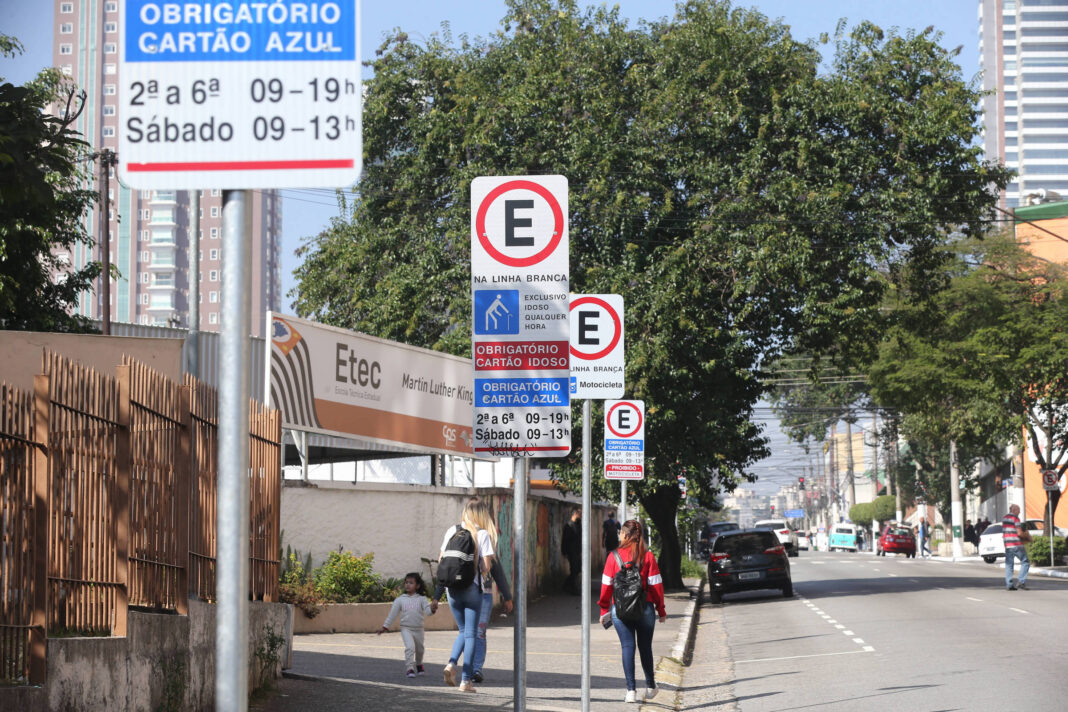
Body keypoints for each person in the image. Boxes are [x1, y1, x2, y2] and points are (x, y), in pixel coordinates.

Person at [598, 519, 667, 704]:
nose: (619, 535)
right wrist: (661, 610)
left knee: (627, 647)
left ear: (626, 535)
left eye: (621, 532)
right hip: (645, 608)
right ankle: (651, 686)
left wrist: (604, 609)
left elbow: (606, 586)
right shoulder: (648, 557)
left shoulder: (613, 557)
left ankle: (630, 691)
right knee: (645, 647)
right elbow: (656, 586)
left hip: (619, 610)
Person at [431, 500, 496, 693]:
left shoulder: (452, 530)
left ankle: (451, 664)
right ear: (482, 514)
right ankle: (466, 680)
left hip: (452, 590)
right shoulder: (482, 534)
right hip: (471, 589)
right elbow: (486, 567)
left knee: (462, 631)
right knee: (471, 634)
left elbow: (441, 559)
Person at [465, 498, 514, 684]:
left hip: (464, 591)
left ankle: (466, 668)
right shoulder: (482, 535)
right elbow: (494, 567)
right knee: (478, 632)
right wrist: (507, 596)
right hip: (481, 591)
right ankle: (473, 668)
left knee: (470, 631)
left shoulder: (457, 532)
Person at [377, 572, 434, 678]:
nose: (407, 585)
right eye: (406, 582)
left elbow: (428, 612)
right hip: (406, 629)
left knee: (420, 649)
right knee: (410, 647)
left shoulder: (422, 599)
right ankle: (410, 668)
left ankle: (419, 664)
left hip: (419, 629)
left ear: (417, 586)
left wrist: (433, 608)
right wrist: (385, 627)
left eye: (411, 583)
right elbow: (392, 615)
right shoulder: (400, 600)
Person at [1002, 504, 1031, 590]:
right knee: (1025, 562)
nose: (1020, 512)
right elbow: (1019, 533)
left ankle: (1009, 585)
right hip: (1016, 544)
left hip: (1008, 545)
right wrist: (1027, 537)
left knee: (1009, 565)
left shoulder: (1004, 518)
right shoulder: (1016, 518)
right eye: (1018, 510)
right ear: (1014, 510)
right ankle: (1021, 582)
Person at [562, 508, 582, 595]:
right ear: (574, 514)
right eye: (579, 514)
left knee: (577, 569)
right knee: (574, 570)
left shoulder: (578, 525)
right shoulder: (568, 525)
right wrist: (564, 552)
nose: (581, 516)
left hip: (577, 551)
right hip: (571, 551)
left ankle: (566, 585)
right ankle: (571, 588)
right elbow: (564, 540)